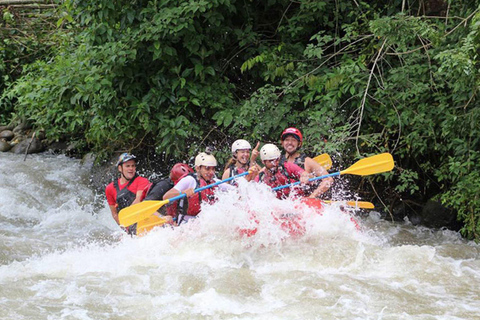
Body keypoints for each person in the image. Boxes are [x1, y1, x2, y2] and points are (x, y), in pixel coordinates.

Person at [163, 152, 259, 225]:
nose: (211, 172)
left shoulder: (215, 182)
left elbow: (237, 192)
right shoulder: (189, 180)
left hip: (205, 223)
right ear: (198, 168)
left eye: (213, 169)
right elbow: (166, 197)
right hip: (186, 223)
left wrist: (248, 178)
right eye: (207, 168)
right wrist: (183, 192)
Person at [279, 127, 333, 198]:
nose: (289, 143)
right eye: (287, 140)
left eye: (293, 140)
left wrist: (312, 196)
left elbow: (328, 179)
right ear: (282, 143)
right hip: (283, 202)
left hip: (303, 202)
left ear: (299, 144)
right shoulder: (277, 161)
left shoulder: (307, 161)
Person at [105, 153, 150, 233]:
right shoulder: (110, 188)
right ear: (120, 168)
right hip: (128, 226)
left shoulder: (142, 181)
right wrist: (125, 228)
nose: (131, 169)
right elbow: (114, 213)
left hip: (143, 220)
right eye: (127, 166)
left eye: (133, 166)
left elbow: (138, 201)